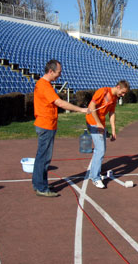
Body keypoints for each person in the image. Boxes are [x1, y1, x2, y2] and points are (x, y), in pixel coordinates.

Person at [33, 59, 90, 197]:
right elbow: (60, 103)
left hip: (46, 124)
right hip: (46, 125)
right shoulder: (44, 85)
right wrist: (81, 110)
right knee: (44, 157)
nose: (60, 75)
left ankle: (40, 184)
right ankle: (41, 187)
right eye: (59, 72)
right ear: (51, 71)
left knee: (42, 156)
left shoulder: (44, 84)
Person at [86, 80, 130, 188]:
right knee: (100, 150)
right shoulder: (103, 91)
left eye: (125, 94)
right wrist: (98, 123)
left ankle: (94, 173)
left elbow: (112, 113)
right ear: (118, 87)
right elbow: (91, 107)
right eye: (122, 92)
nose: (123, 95)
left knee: (101, 149)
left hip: (101, 123)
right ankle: (95, 178)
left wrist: (114, 130)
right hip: (93, 122)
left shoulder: (115, 98)